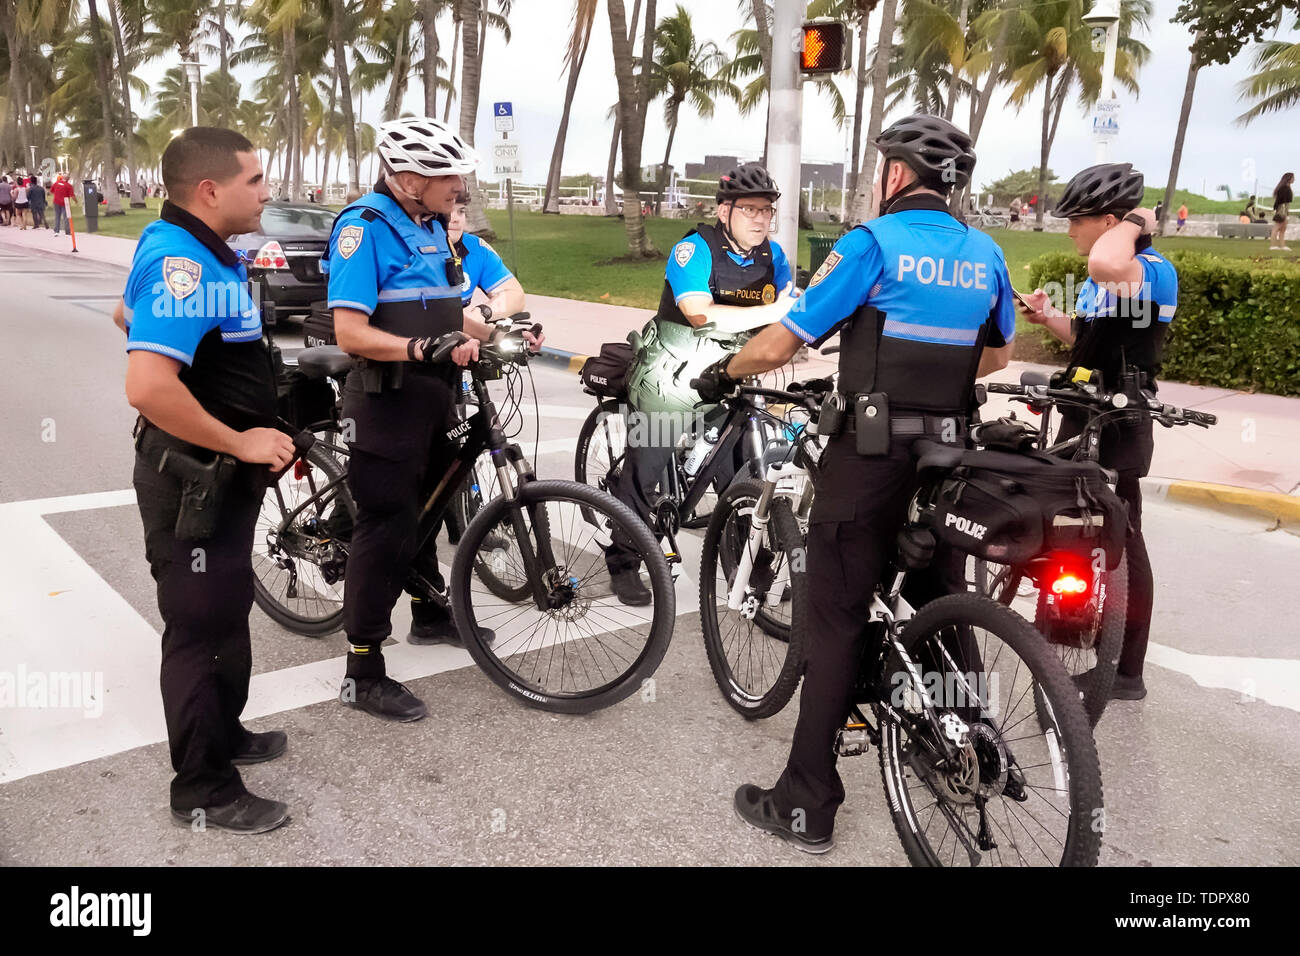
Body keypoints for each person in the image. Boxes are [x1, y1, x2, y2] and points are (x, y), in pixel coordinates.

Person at [691, 115, 1015, 853]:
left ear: (895, 176)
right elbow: (995, 358)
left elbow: (786, 338)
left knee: (835, 619)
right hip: (949, 459)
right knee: (939, 598)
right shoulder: (985, 252)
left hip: (870, 458)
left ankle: (806, 804)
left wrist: (723, 370)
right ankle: (962, 736)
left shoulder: (871, 244)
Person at [323, 116, 542, 721]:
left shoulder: (431, 229)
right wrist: (420, 349)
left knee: (433, 503)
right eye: (450, 176)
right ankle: (362, 670)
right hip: (386, 402)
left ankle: (427, 611)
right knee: (387, 525)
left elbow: (450, 311)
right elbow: (350, 330)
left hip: (436, 397)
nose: (460, 188)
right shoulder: (363, 227)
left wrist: (503, 329)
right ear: (410, 177)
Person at [113, 127, 293, 834]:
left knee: (226, 609)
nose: (267, 191)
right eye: (255, 180)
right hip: (194, 480)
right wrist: (240, 440)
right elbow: (148, 387)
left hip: (219, 479)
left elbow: (132, 316)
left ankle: (229, 732)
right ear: (210, 191)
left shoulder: (195, 252)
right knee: (200, 627)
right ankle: (203, 788)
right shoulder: (181, 263)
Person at [606, 163, 798, 605]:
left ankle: (745, 563)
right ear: (723, 210)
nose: (760, 219)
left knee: (743, 475)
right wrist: (774, 315)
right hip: (669, 375)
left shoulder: (774, 257)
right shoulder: (693, 249)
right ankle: (623, 559)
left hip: (730, 377)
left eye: (767, 210)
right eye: (750, 209)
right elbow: (699, 311)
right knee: (646, 469)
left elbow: (794, 309)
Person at [1018, 162, 1175, 702]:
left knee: (1124, 543)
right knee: (1068, 528)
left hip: (1120, 421)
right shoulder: (1102, 277)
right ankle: (1064, 629)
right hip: (1080, 409)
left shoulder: (1150, 268)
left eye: (1077, 221)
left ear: (1110, 222)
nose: (1069, 231)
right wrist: (1048, 319)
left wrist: (1134, 222)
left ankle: (1127, 671)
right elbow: (1089, 339)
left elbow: (1110, 260)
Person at [1271, 173, 1293, 250]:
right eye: (1293, 178)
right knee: (1277, 227)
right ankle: (1273, 245)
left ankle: (1282, 246)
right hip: (1282, 209)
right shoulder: (1284, 188)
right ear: (1289, 178)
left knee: (1283, 228)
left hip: (1284, 209)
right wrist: (1283, 213)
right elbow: (1281, 201)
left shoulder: (1286, 187)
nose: (1294, 179)